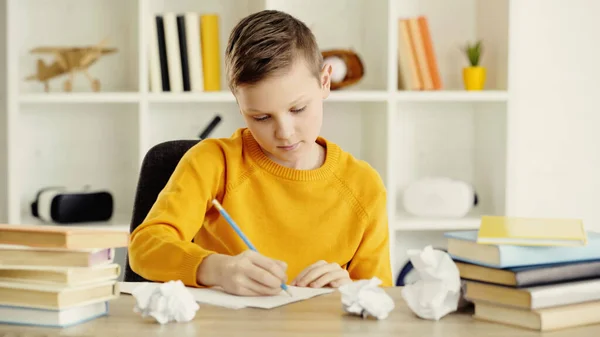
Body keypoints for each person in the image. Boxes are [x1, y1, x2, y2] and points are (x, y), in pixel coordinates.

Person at [128, 9, 392, 296]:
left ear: (325, 81)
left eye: (298, 109)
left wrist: (350, 290)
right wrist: (217, 269)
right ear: (239, 103)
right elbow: (145, 248)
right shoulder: (212, 163)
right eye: (261, 117)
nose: (285, 132)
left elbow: (382, 296)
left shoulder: (364, 187)